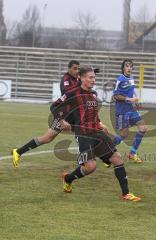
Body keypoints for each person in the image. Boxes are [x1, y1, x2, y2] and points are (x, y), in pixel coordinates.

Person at [51, 66, 141, 201]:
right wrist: (61, 120)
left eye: (94, 77)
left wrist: (100, 123)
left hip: (97, 132)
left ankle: (126, 194)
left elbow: (92, 113)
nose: (93, 80)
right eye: (90, 77)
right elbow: (54, 106)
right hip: (83, 134)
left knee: (117, 158)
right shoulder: (72, 93)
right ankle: (68, 178)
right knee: (90, 167)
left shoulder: (94, 94)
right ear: (81, 78)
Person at [12, 60, 80, 167]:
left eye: (78, 69)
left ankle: (92, 159)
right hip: (63, 114)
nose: (77, 71)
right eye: (75, 68)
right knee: (47, 138)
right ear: (69, 68)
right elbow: (68, 93)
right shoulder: (66, 79)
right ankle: (18, 152)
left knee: (82, 133)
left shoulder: (76, 78)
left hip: (73, 113)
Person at [112, 59, 148, 163]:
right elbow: (115, 96)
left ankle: (132, 153)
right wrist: (129, 99)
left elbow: (129, 94)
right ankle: (106, 148)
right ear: (123, 68)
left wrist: (134, 102)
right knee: (124, 135)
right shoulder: (120, 79)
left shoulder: (131, 78)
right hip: (121, 111)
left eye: (131, 66)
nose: (129, 68)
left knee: (143, 128)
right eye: (127, 66)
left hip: (131, 109)